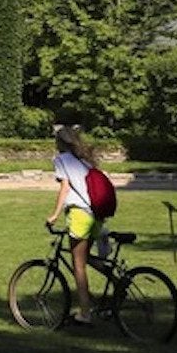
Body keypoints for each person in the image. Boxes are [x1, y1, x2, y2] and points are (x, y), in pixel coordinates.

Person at [46, 125, 105, 325]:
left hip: (80, 215)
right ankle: (117, 282)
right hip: (96, 214)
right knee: (85, 257)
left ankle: (85, 313)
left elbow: (65, 188)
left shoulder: (61, 160)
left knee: (78, 265)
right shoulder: (85, 161)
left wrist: (54, 214)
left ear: (59, 142)